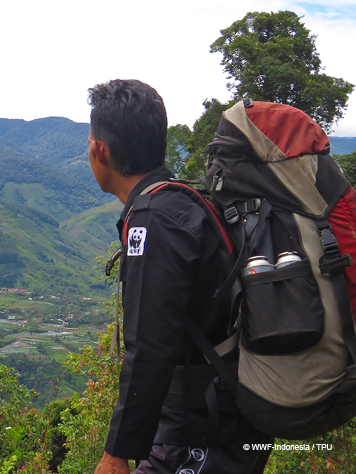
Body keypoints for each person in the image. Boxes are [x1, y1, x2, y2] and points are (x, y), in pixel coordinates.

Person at [86, 79, 271, 474]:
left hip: (200, 435)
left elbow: (149, 347)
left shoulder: (154, 219)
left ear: (99, 150)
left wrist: (116, 453)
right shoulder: (187, 201)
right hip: (226, 420)